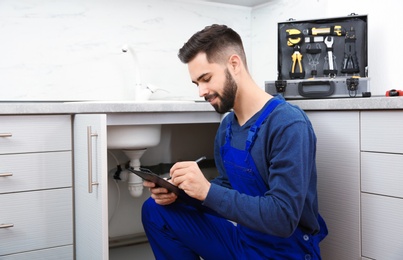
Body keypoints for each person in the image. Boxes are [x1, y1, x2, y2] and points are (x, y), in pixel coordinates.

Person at [142, 24, 328, 259]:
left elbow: (283, 218)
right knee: (156, 210)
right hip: (244, 242)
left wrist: (206, 191)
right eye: (196, 83)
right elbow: (229, 188)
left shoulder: (287, 124)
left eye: (206, 78)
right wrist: (182, 193)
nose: (201, 91)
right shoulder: (228, 126)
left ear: (234, 64)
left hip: (286, 251)